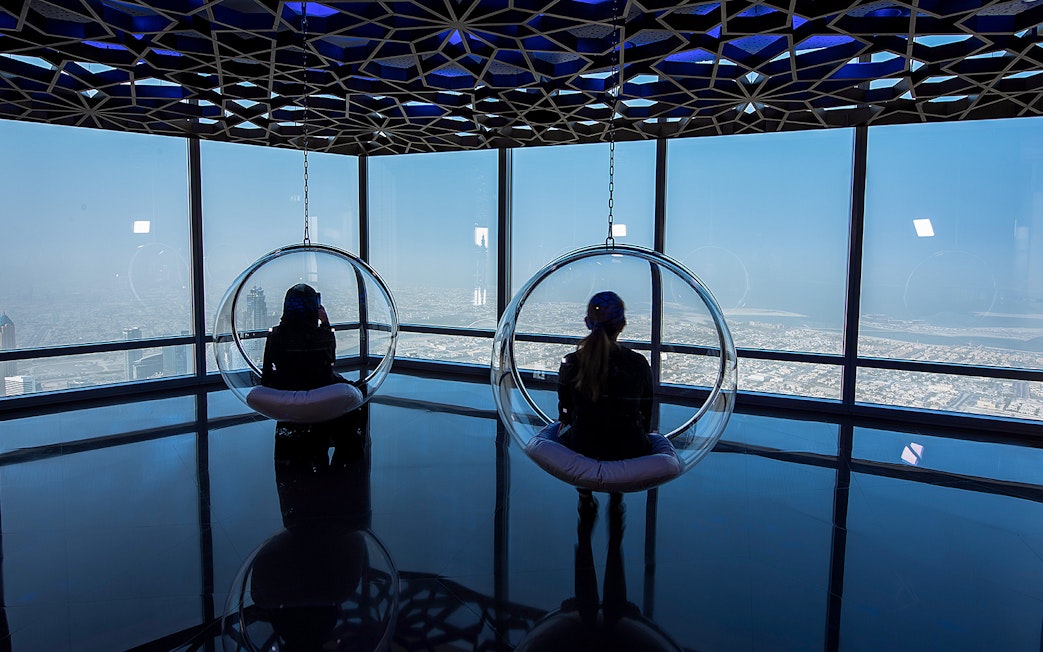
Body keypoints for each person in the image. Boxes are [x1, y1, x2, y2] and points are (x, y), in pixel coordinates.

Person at [557, 291, 653, 511]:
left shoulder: (571, 363)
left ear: (587, 322)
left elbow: (565, 410)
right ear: (622, 324)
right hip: (629, 446)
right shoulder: (637, 363)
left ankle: (584, 495)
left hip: (583, 446)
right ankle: (616, 495)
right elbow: (646, 409)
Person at [260, 283, 345, 391]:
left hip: (285, 387)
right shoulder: (323, 336)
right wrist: (325, 322)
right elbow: (331, 360)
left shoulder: (275, 336)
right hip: (320, 387)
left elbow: (266, 374)